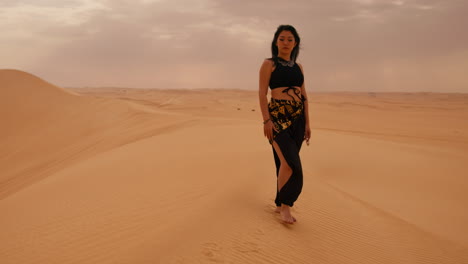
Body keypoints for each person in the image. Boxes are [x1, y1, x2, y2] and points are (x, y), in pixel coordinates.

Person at [258, 25, 311, 224]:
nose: (286, 43)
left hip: (298, 119)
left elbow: (304, 96)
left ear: (295, 43)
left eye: (290, 39)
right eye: (282, 39)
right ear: (276, 42)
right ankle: (286, 207)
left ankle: (280, 203)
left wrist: (308, 123)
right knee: (291, 164)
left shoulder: (299, 67)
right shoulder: (269, 64)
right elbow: (262, 93)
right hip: (278, 117)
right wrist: (266, 120)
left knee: (282, 163)